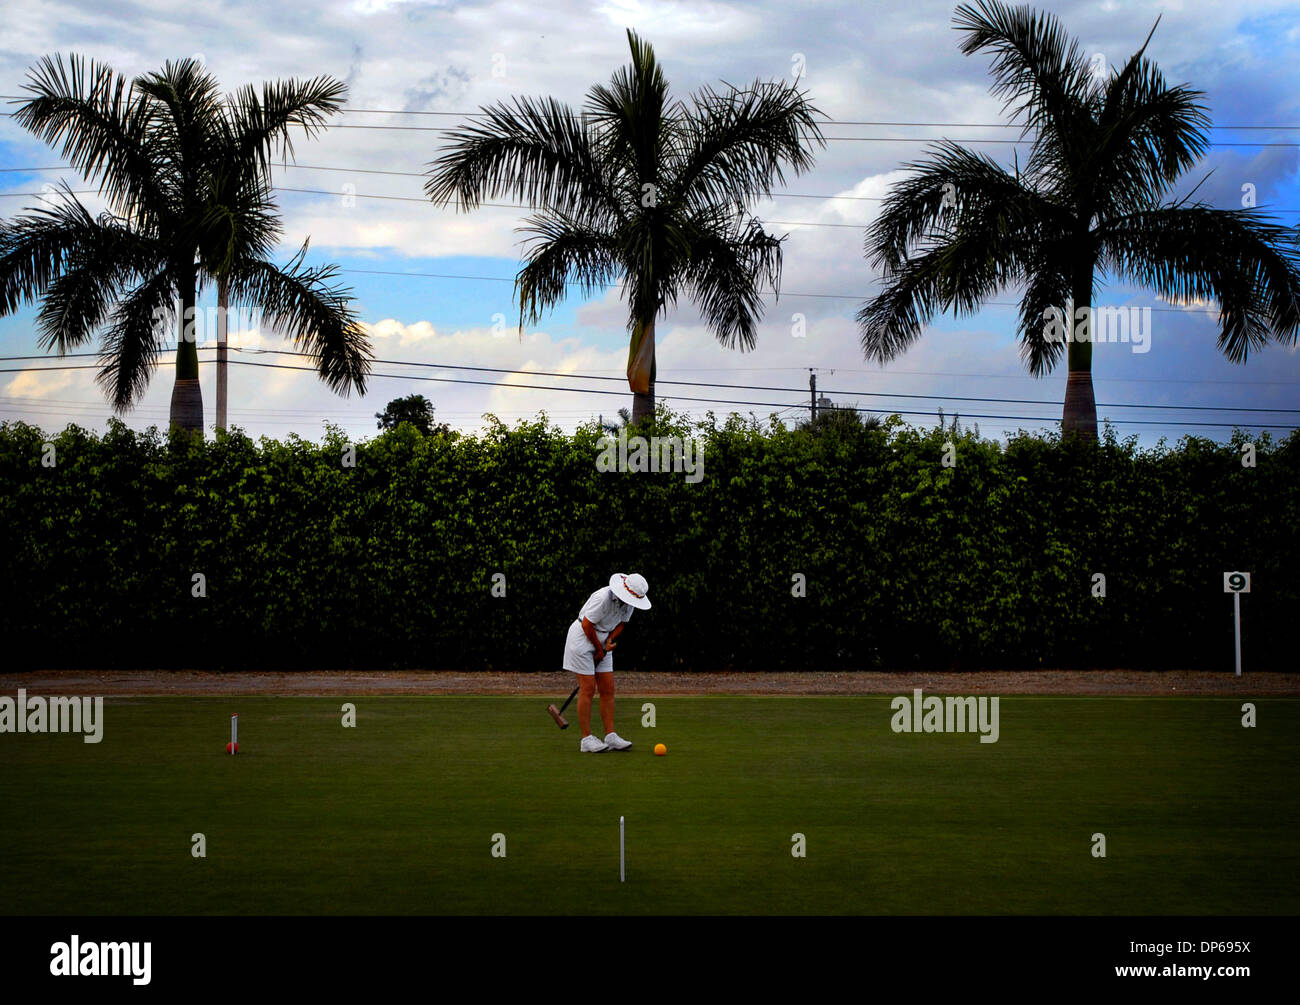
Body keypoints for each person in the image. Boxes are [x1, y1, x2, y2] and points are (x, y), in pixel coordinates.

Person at [562, 573, 650, 752]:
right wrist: (599, 649)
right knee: (588, 688)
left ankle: (610, 736)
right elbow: (587, 625)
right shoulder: (603, 597)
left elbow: (621, 624)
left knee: (608, 688)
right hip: (582, 638)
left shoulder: (630, 602)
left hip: (603, 640)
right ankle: (586, 740)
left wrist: (609, 640)